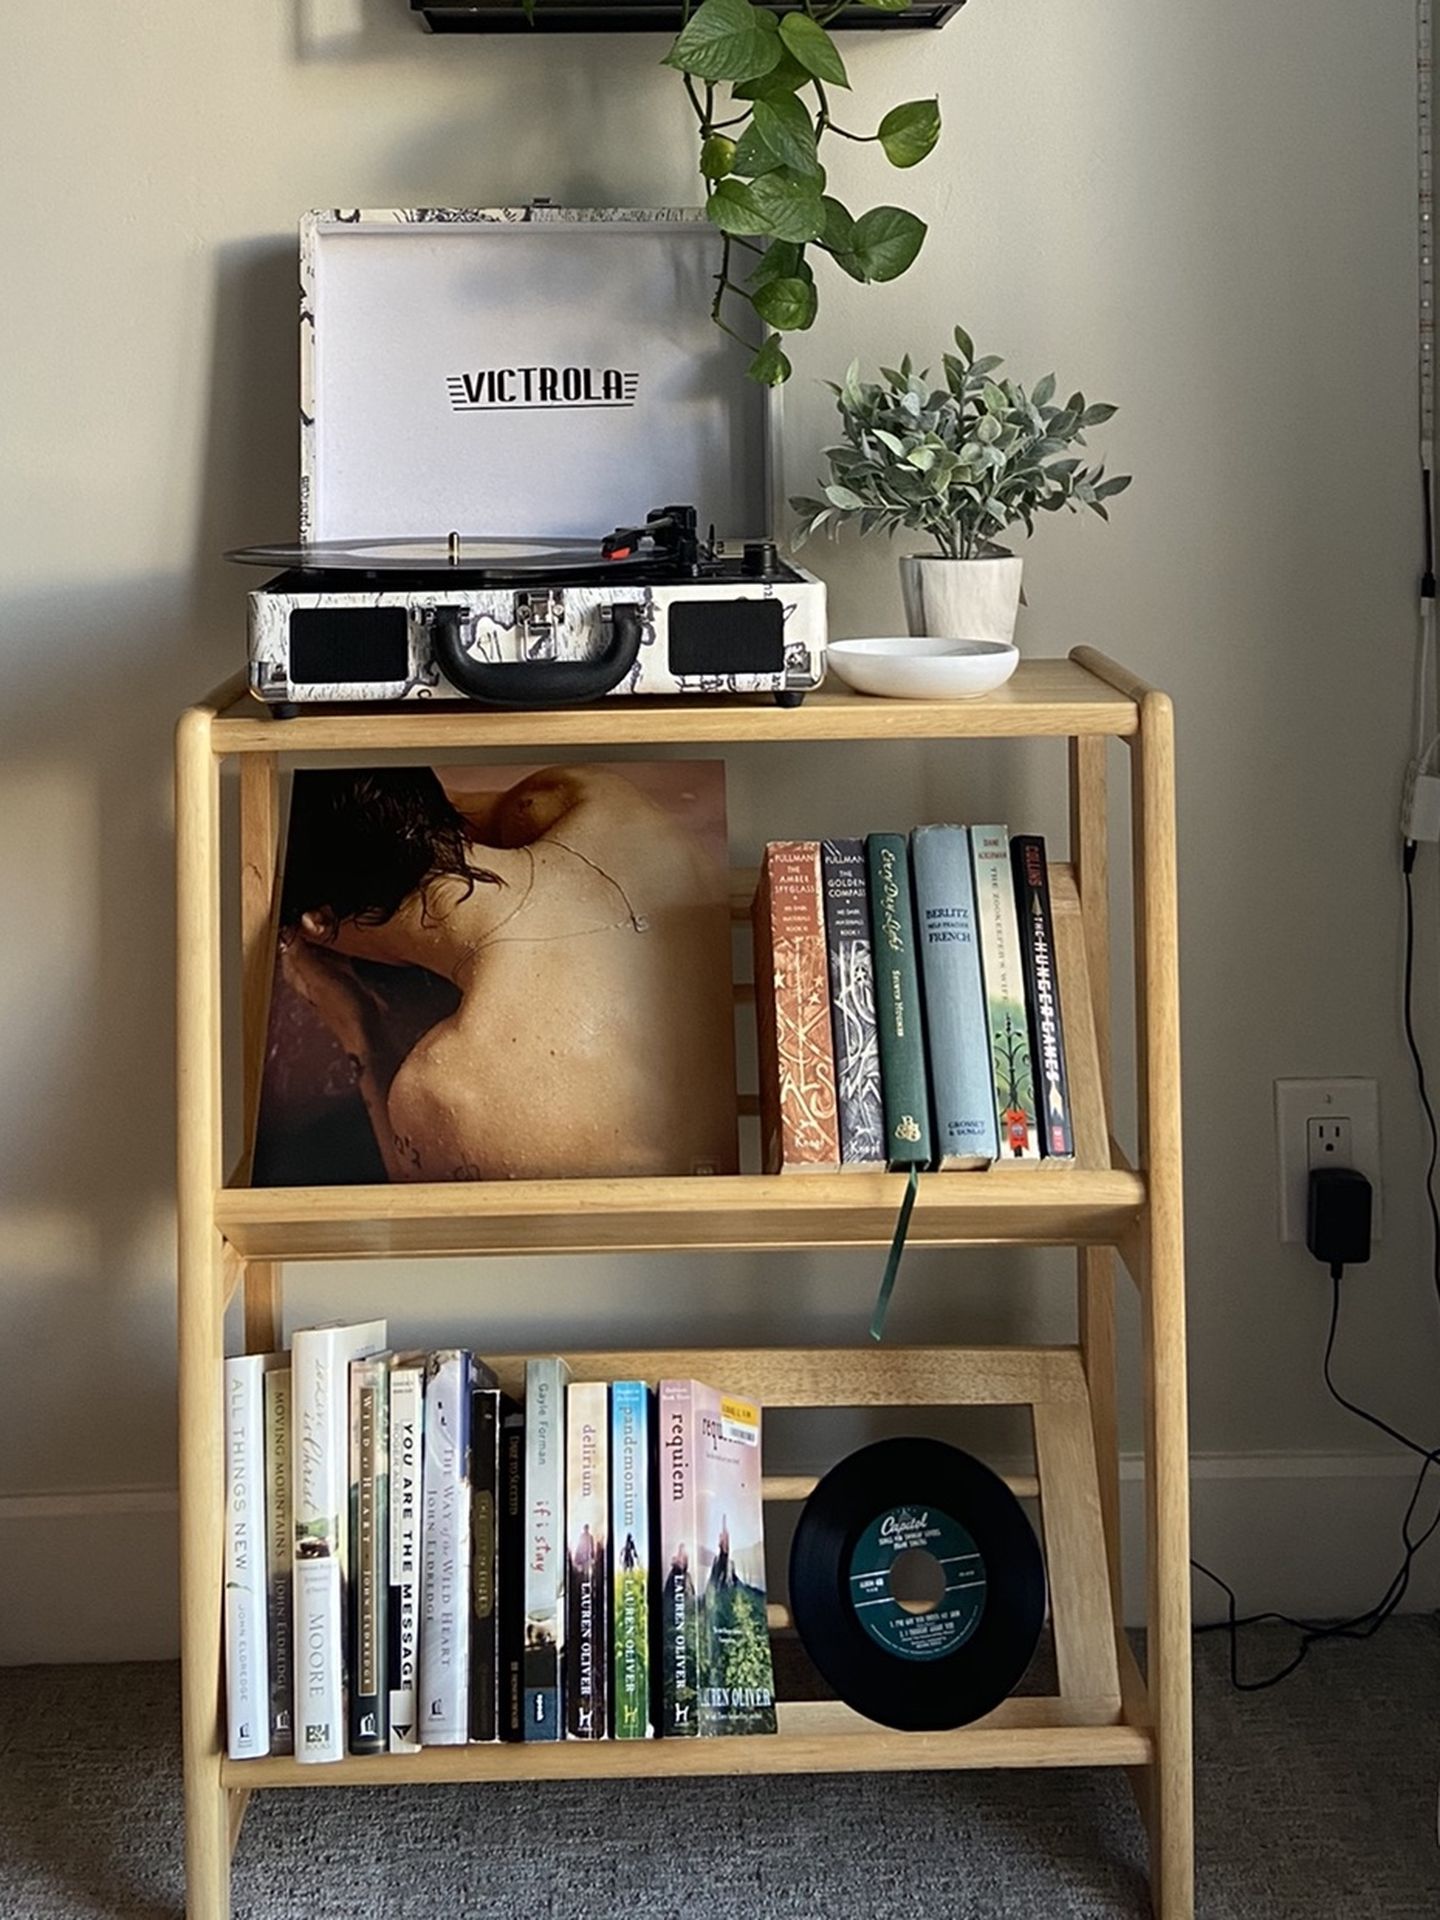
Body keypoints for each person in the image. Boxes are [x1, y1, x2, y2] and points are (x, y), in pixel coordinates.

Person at [275, 764, 736, 1182]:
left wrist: (358, 1028)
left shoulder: (444, 1089)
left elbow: (413, 1215)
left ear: (317, 921)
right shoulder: (596, 801)